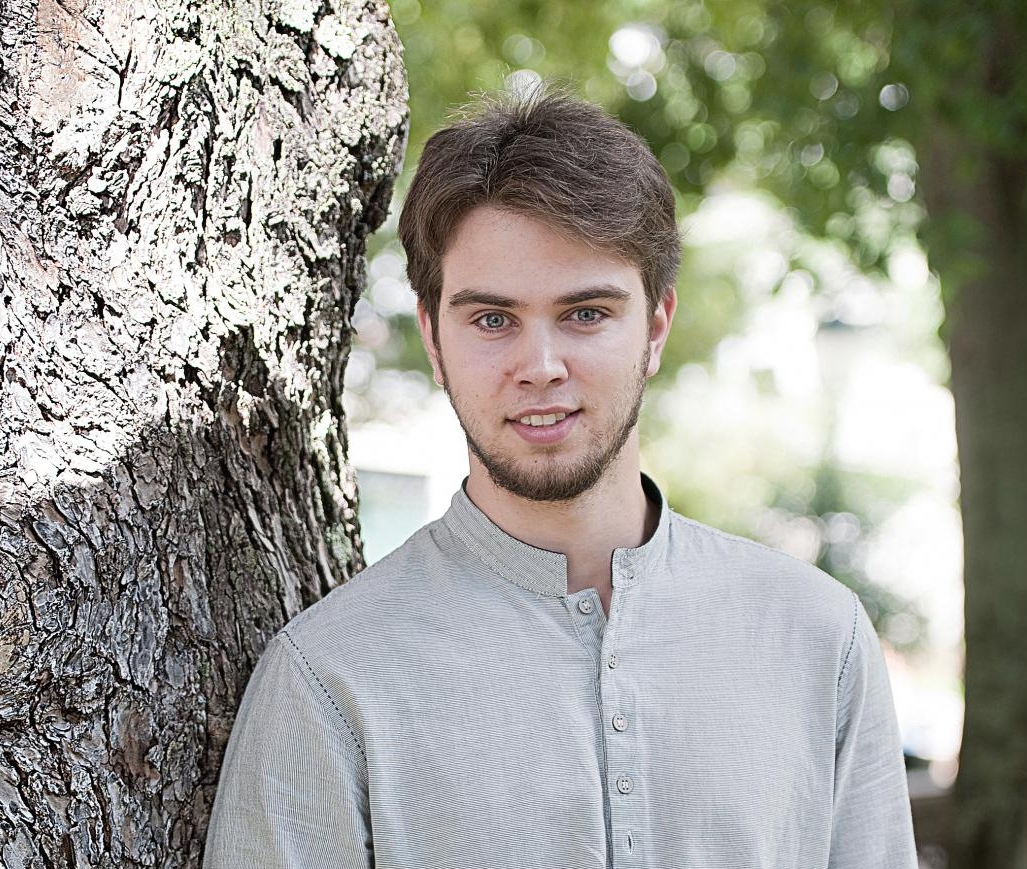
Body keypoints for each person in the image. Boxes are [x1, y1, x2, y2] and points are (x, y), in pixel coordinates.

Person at [202, 88, 918, 869]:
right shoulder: (331, 678)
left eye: (585, 314)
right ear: (435, 341)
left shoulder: (819, 638)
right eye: (492, 319)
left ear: (654, 327)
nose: (540, 367)